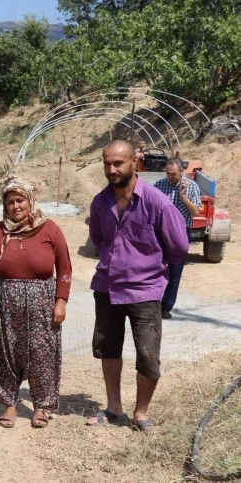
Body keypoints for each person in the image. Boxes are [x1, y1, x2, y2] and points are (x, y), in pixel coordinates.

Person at [86, 140, 188, 431]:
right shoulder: (100, 202)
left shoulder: (157, 202)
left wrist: (150, 270)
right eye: (107, 163)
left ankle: (140, 413)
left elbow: (178, 247)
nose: (112, 169)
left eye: (118, 163)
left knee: (147, 354)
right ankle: (114, 408)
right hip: (107, 287)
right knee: (108, 348)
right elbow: (99, 239)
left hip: (145, 290)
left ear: (134, 162)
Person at [0, 177, 72, 429]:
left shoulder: (50, 229)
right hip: (4, 301)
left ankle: (41, 406)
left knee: (41, 354)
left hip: (42, 300)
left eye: (20, 200)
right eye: (10, 201)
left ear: (30, 201)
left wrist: (61, 301)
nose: (15, 206)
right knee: (6, 352)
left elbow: (64, 268)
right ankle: (9, 404)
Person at [153, 158, 201, 319]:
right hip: (159, 233)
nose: (169, 176)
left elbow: (195, 212)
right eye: (167, 173)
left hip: (180, 233)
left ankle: (165, 307)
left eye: (173, 174)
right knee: (154, 268)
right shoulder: (159, 184)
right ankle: (151, 304)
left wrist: (184, 197)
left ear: (181, 172)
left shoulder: (191, 186)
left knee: (174, 272)